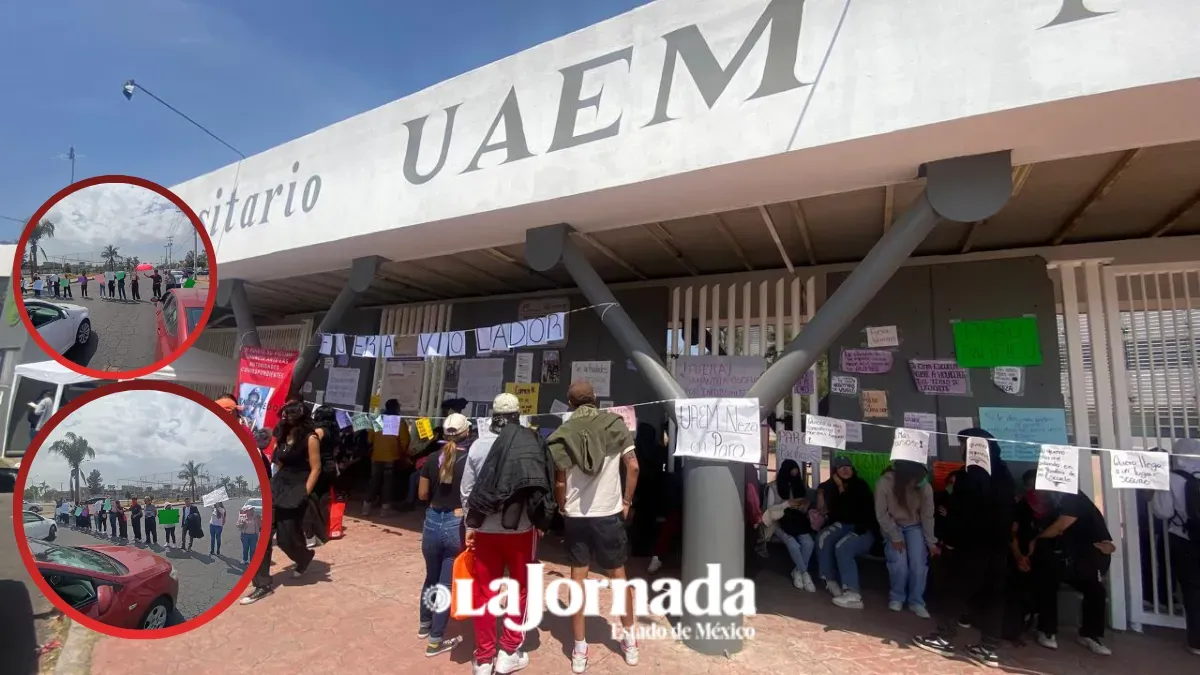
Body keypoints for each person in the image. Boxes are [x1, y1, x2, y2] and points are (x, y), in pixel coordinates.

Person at [547, 382, 640, 672]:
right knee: (619, 578)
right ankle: (630, 642)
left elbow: (560, 480)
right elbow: (634, 466)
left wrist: (563, 506)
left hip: (576, 516)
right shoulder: (616, 424)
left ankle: (578, 649)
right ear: (596, 399)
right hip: (609, 514)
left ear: (570, 403)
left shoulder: (563, 433)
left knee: (577, 580)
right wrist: (626, 501)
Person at [462, 393, 557, 675]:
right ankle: (509, 652)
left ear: (493, 415)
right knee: (520, 589)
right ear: (518, 415)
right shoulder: (531, 442)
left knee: (482, 592)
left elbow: (467, 491)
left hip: (485, 531)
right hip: (521, 531)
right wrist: (542, 520)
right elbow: (542, 484)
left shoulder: (478, 446)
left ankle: (483, 658)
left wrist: (471, 524)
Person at [914, 428, 1017, 669]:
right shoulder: (1003, 474)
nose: (961, 449)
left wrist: (949, 540)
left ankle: (944, 637)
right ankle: (989, 648)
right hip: (999, 548)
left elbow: (960, 514)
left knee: (954, 590)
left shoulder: (968, 477)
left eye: (963, 444)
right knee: (993, 597)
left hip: (971, 547)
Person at [241, 401, 320, 605]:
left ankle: (303, 557)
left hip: (297, 488)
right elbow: (278, 463)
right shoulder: (281, 436)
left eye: (289, 416)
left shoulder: (311, 438)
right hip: (278, 486)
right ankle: (262, 585)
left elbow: (316, 468)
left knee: (287, 538)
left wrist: (304, 493)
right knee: (263, 535)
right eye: (283, 415)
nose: (284, 419)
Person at [416, 413, 471, 657]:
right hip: (455, 522)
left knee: (431, 577)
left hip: (432, 519)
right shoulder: (469, 460)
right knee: (446, 584)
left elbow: (421, 494)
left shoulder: (430, 458)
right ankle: (436, 639)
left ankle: (424, 625)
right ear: (466, 433)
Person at [1151, 439, 1200, 656]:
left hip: (1184, 538)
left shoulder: (1172, 479)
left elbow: (1162, 512)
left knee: (1192, 589)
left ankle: (1196, 641)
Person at [875, 459, 938, 618]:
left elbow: (927, 516)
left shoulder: (924, 486)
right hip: (892, 525)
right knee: (899, 561)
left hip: (915, 526)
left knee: (918, 563)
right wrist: (895, 536)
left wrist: (931, 542)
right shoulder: (885, 482)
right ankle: (897, 597)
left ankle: (916, 601)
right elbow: (881, 514)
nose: (918, 482)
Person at [816, 457, 877, 609]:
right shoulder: (833, 488)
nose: (845, 469)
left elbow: (852, 510)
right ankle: (830, 580)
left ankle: (853, 594)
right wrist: (824, 491)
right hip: (844, 526)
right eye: (840, 467)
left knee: (843, 547)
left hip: (863, 529)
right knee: (823, 538)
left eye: (847, 466)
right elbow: (837, 511)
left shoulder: (860, 486)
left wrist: (842, 489)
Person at [763, 459, 818, 592]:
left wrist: (802, 505)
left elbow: (803, 507)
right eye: (791, 473)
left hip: (796, 521)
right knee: (793, 544)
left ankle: (797, 571)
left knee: (809, 543)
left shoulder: (798, 486)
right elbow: (769, 510)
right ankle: (805, 573)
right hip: (779, 522)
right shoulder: (773, 487)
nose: (793, 476)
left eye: (796, 473)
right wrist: (787, 504)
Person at [363, 399, 404, 517]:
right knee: (388, 483)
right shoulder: (399, 422)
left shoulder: (378, 420)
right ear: (397, 408)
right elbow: (404, 440)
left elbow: (370, 439)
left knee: (373, 481)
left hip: (376, 456)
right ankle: (384, 510)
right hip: (391, 456)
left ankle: (366, 508)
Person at [306, 406, 340, 548]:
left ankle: (311, 533)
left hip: (319, 467)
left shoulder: (319, 431)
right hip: (330, 467)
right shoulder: (334, 430)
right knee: (323, 500)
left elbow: (309, 445)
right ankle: (322, 533)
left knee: (311, 499)